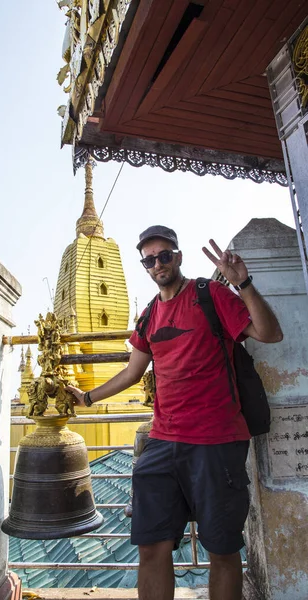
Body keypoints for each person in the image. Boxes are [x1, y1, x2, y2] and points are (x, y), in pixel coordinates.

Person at [67, 225, 283, 600]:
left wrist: (243, 283)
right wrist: (87, 398)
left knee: (223, 551)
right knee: (151, 547)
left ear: (177, 256)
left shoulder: (210, 294)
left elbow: (269, 334)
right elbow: (133, 372)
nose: (157, 264)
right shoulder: (150, 315)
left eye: (164, 255)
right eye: (149, 260)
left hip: (216, 443)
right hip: (163, 444)